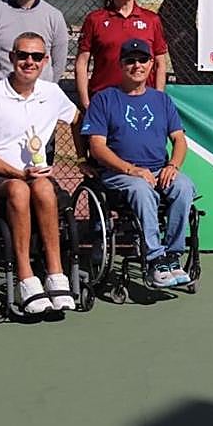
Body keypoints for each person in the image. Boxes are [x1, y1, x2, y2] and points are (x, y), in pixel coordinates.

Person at [0, 33, 80, 314]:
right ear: (12, 57)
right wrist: (18, 173)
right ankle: (25, 277)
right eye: (23, 55)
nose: (29, 62)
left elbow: (78, 119)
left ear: (45, 61)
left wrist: (82, 157)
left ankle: (55, 274)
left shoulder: (52, 93)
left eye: (36, 56)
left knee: (42, 188)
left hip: (34, 176)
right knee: (20, 189)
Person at [81, 38, 195, 289]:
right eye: (130, 61)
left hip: (159, 169)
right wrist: (131, 169)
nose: (137, 65)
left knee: (184, 187)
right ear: (121, 65)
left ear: (151, 64)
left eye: (142, 60)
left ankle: (173, 256)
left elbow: (179, 140)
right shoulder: (104, 99)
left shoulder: (162, 100)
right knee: (141, 190)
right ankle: (154, 259)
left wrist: (172, 166)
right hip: (119, 173)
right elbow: (97, 147)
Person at [75, 0, 170, 111]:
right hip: (104, 102)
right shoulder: (95, 19)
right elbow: (81, 63)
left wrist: (157, 99)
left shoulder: (152, 20)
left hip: (143, 104)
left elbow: (160, 63)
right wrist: (86, 103)